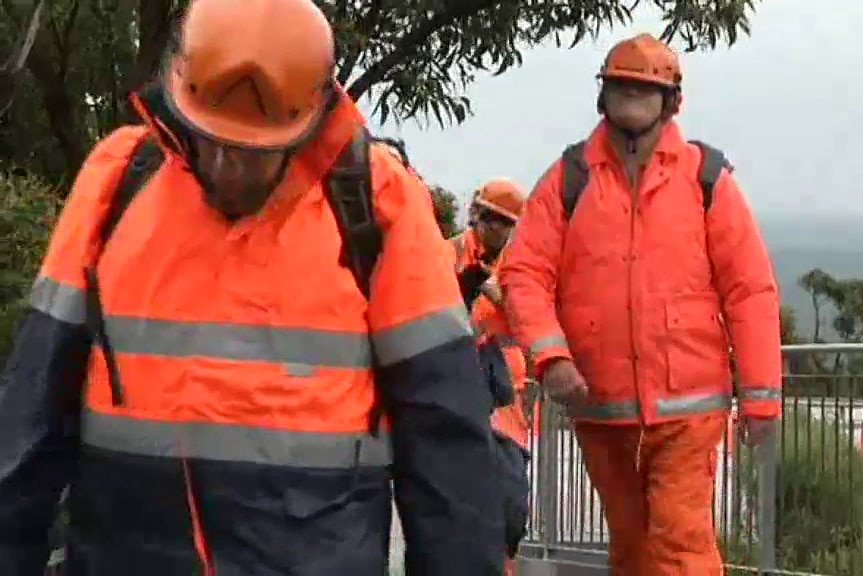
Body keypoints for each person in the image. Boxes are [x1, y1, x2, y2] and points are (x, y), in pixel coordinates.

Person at [0, 0, 505, 574]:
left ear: (312, 120)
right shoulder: (116, 180)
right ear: (179, 103)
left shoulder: (378, 200)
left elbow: (446, 439)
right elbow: (30, 418)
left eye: (253, 152)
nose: (228, 166)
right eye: (211, 139)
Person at [499, 33, 782, 575]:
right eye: (621, 88)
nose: (632, 99)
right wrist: (552, 357)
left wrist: (761, 399)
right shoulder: (569, 179)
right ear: (603, 97)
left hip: (688, 409)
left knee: (679, 547)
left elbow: (749, 289)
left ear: (671, 101)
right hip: (602, 408)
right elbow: (525, 273)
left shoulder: (706, 180)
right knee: (631, 550)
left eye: (644, 89)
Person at [444, 180, 533, 576]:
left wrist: (503, 297)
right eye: (493, 220)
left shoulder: (520, 270)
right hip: (454, 398)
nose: (498, 230)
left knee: (512, 507)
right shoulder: (446, 255)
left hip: (505, 406)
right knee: (457, 507)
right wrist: (461, 291)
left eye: (506, 223)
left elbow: (536, 325)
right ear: (477, 215)